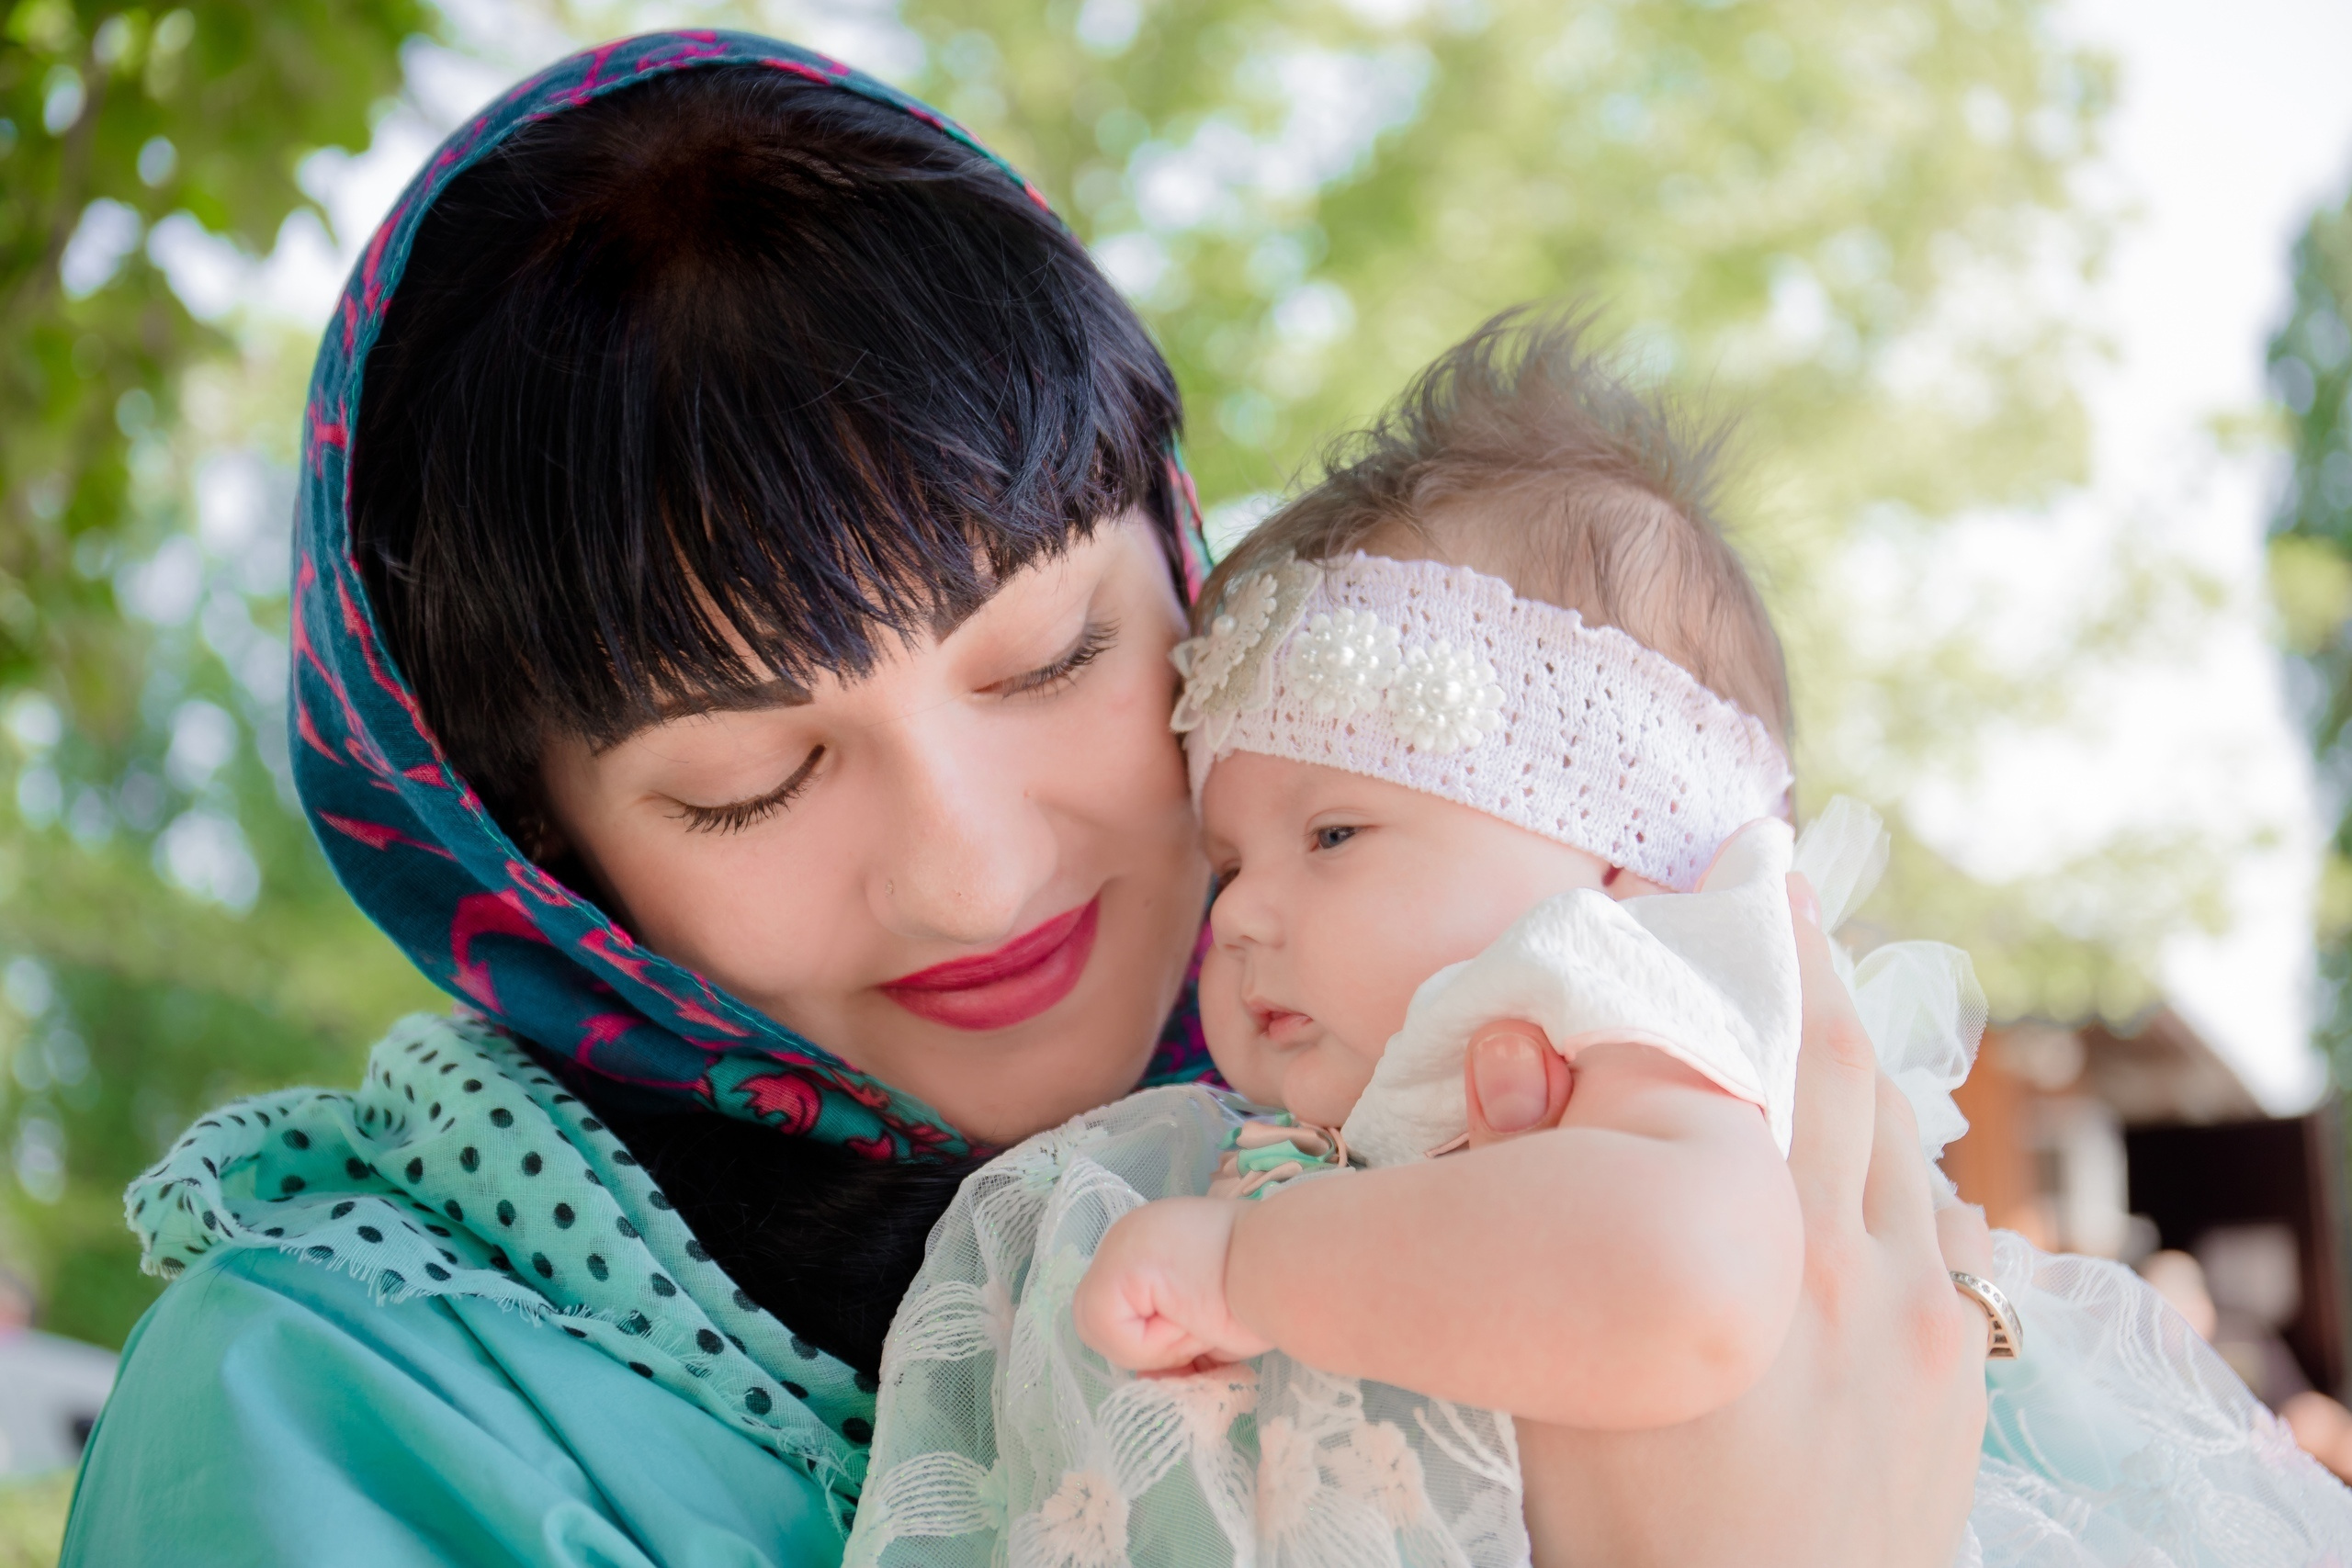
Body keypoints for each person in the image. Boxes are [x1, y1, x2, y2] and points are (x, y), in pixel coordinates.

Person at [66, 33, 1992, 1567]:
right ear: (533, 854)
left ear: (1182, 566)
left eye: (1055, 656)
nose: (974, 867)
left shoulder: (1583, 1084)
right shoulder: (328, 1410)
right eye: (749, 779)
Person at [842, 317, 2352, 1568]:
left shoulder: (1622, 1014)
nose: (1239, 913)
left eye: (1336, 836)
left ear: (1619, 859)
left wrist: (1252, 1265)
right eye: (1226, 855)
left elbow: (1683, 1282)